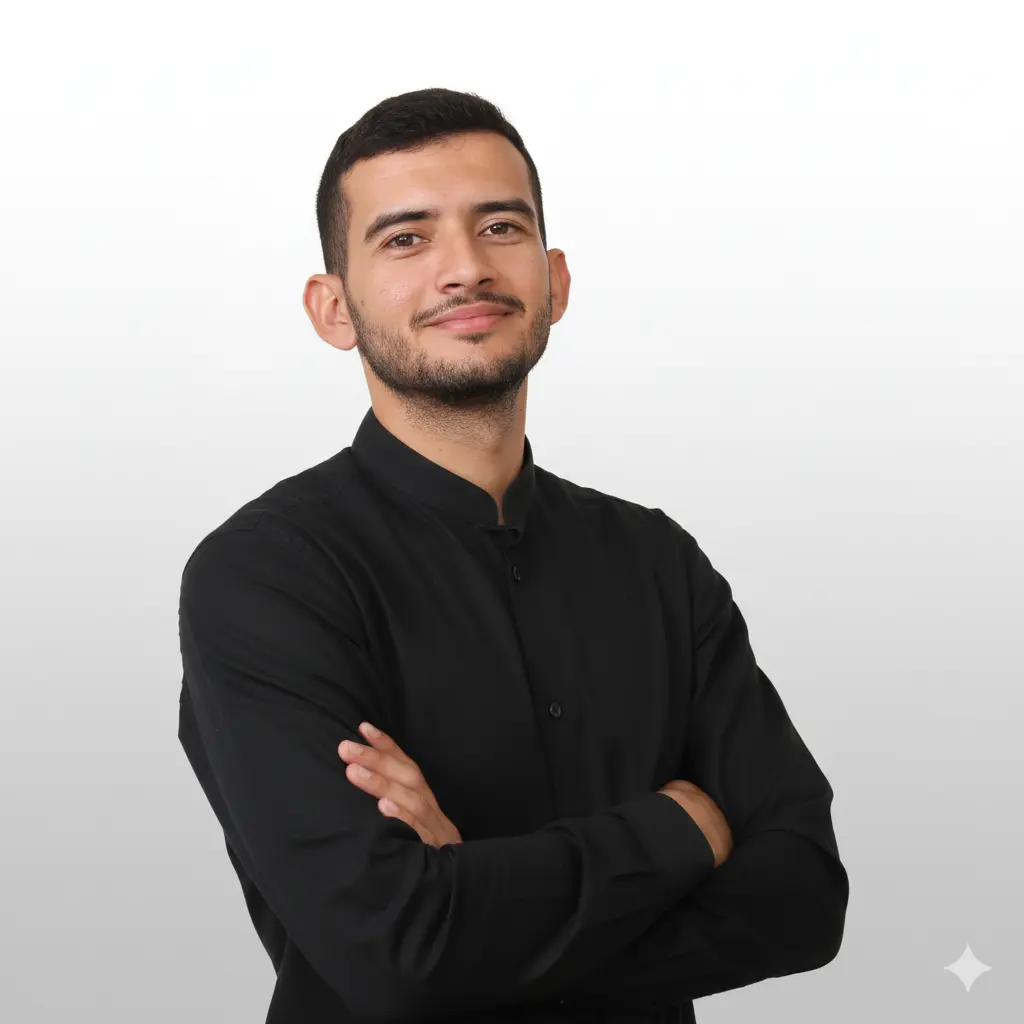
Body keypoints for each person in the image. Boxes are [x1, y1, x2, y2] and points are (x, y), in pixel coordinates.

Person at [177, 86, 849, 1023]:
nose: (465, 268)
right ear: (333, 309)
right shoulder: (265, 576)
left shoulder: (658, 562)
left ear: (554, 280)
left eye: (500, 227)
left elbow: (805, 899)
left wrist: (473, 915)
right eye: (406, 239)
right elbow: (398, 952)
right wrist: (678, 830)